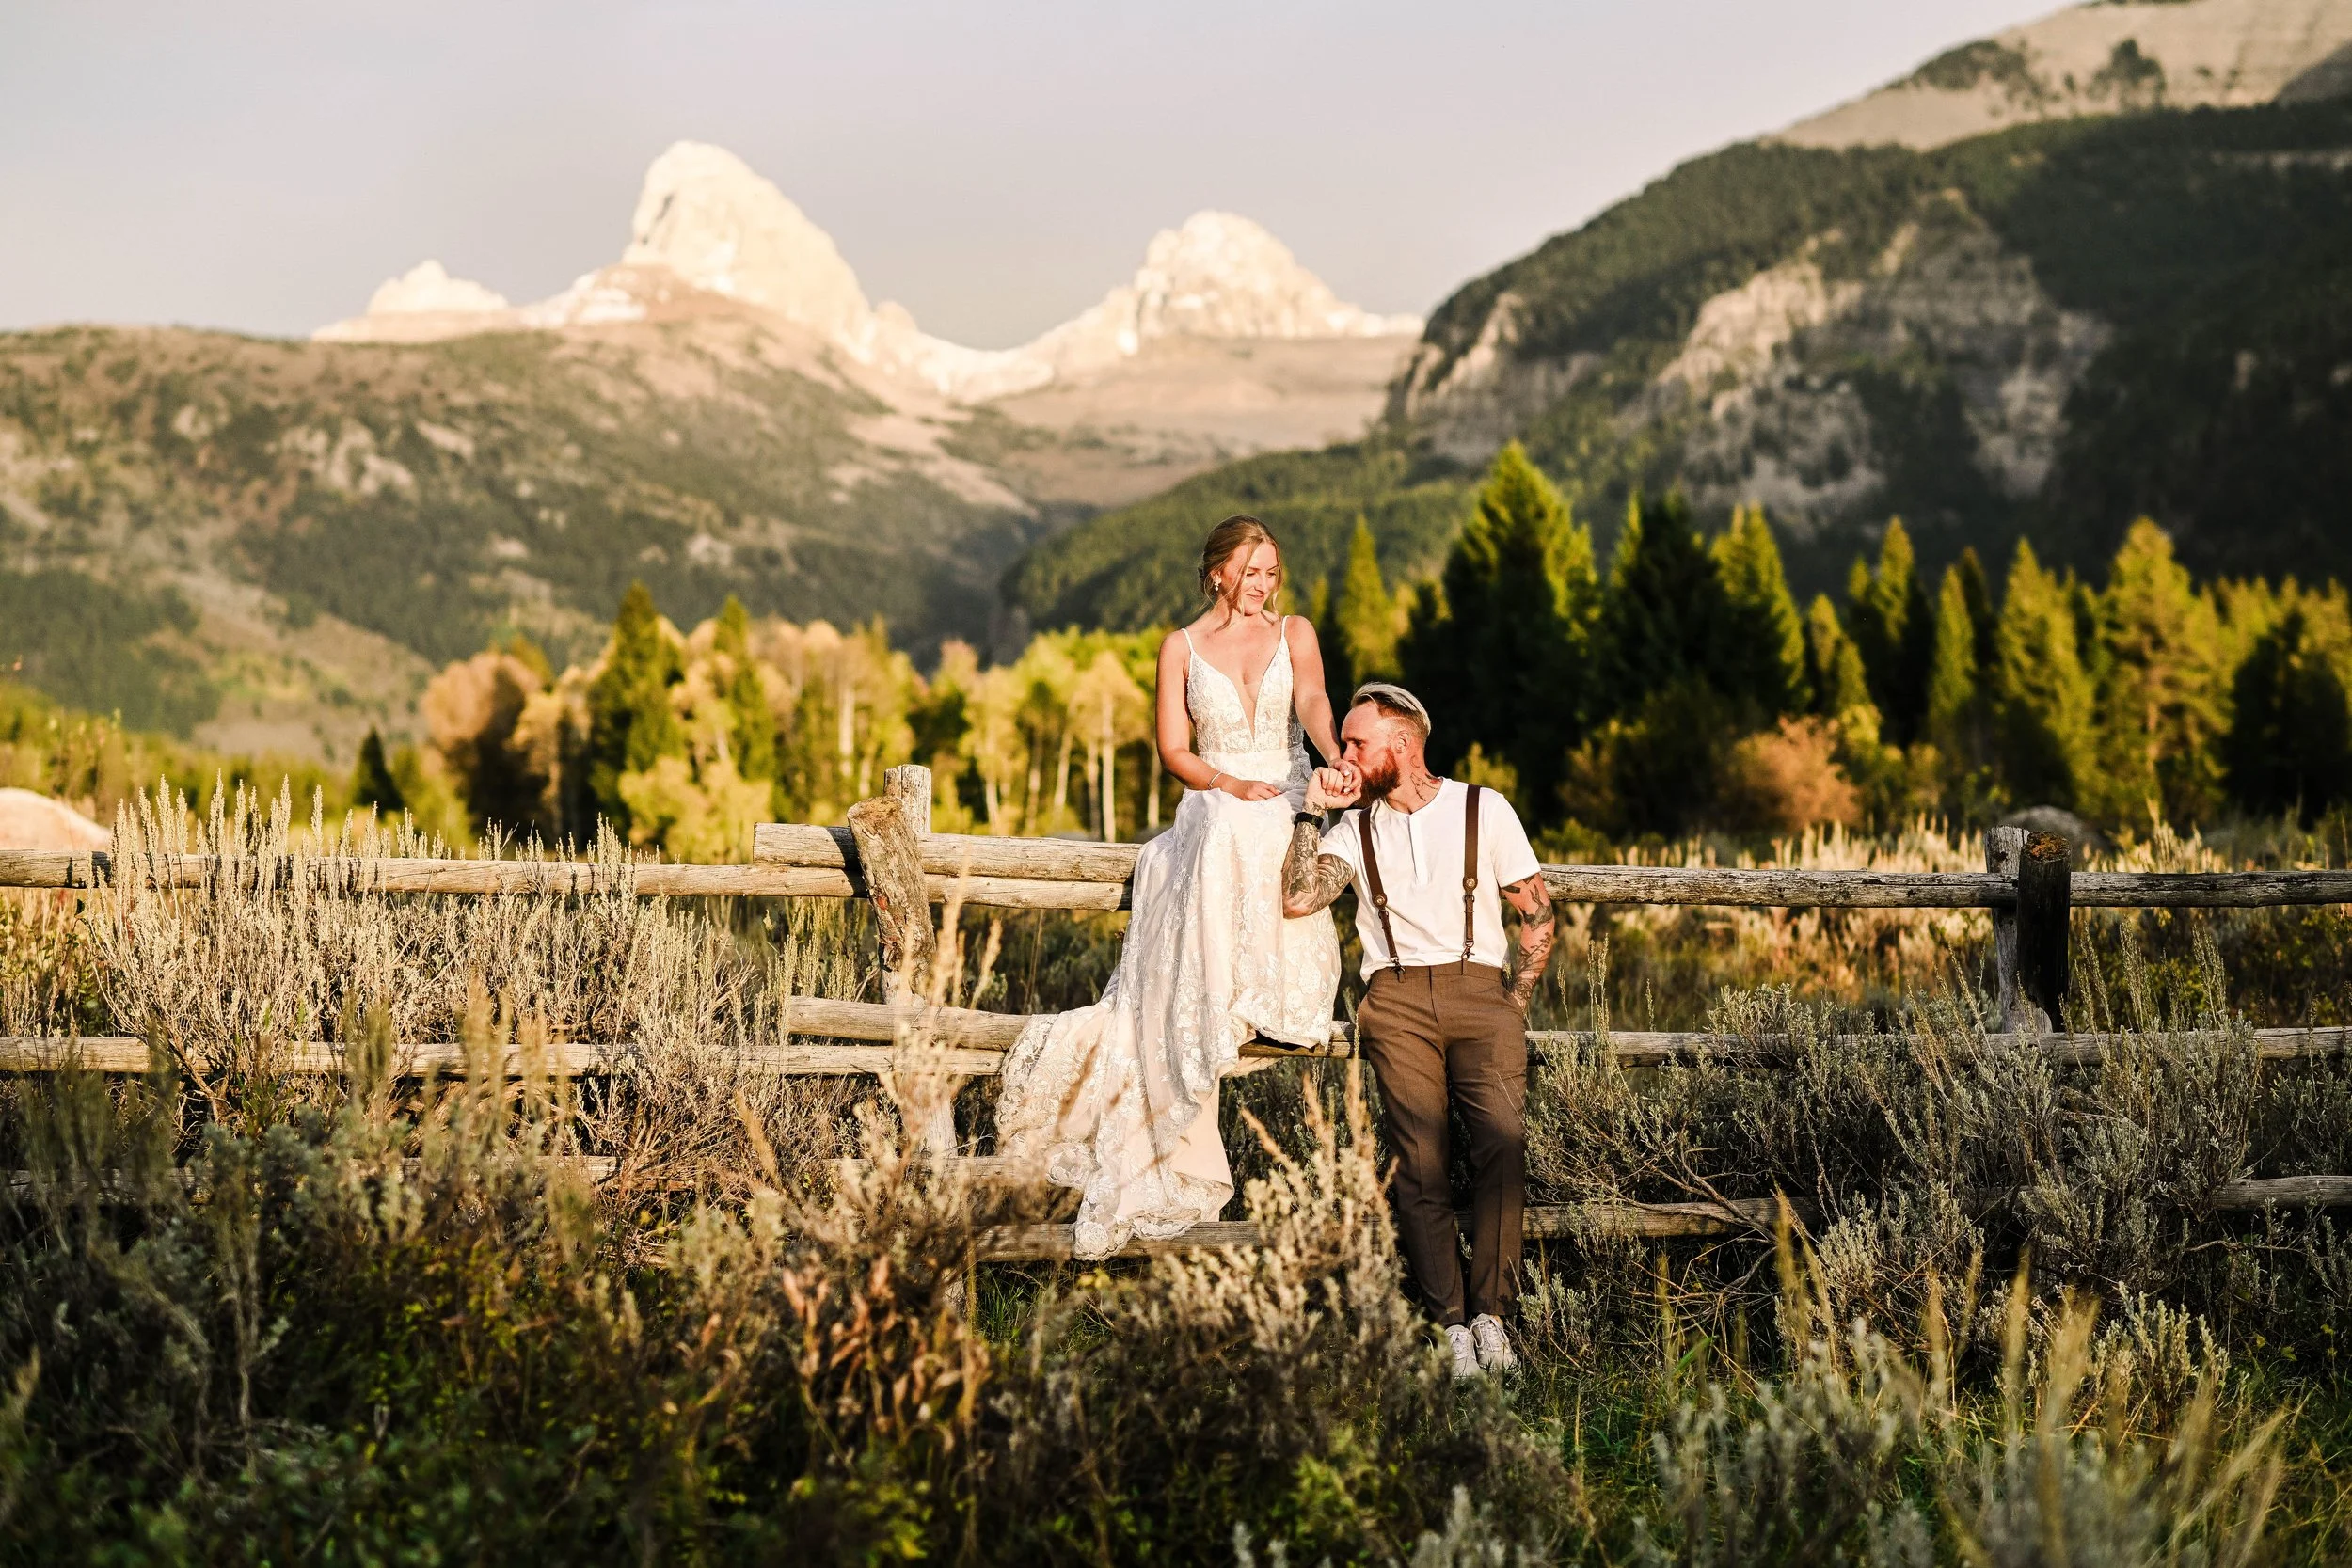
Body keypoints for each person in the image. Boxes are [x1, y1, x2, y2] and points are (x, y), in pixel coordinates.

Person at [994, 515, 1347, 1259]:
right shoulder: (1179, 648)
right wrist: (1226, 781)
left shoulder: (1297, 632)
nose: (1265, 585)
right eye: (1252, 571)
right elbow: (1174, 749)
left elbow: (1312, 701)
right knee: (1225, 823)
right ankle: (1218, 1001)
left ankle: (1274, 992)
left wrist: (1332, 750)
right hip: (1218, 790)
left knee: (1281, 822)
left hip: (1284, 785)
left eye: (1272, 571)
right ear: (1218, 571)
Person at [1279, 682, 1558, 1379]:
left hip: (1479, 991)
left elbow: (1538, 915)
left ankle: (1493, 1315)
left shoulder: (1482, 809)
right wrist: (1312, 809)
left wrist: (1512, 1004)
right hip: (1396, 1001)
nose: (1342, 752)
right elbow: (1297, 895)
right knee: (1419, 1166)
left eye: (1355, 741)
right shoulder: (1353, 827)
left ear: (1401, 743)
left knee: (1502, 1142)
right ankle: (1451, 1326)